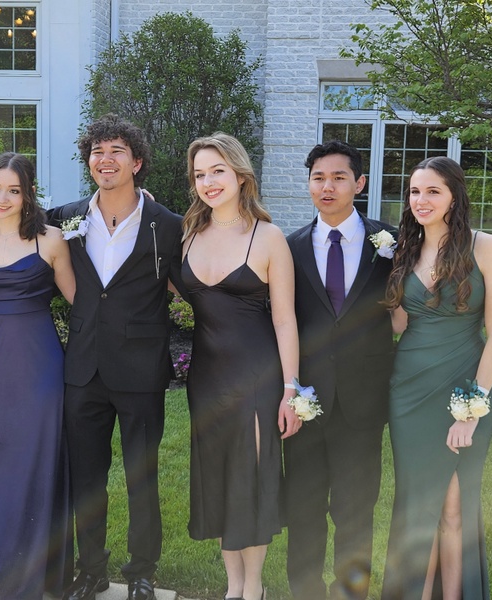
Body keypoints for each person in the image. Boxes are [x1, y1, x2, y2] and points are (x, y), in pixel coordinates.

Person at [46, 114, 184, 600]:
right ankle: (92, 570)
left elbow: (196, 282)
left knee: (141, 479)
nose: (105, 159)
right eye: (97, 151)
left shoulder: (168, 225)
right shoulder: (63, 217)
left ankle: (142, 572)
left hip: (141, 370)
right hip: (83, 369)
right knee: (87, 480)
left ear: (137, 162)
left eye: (116, 151)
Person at [381, 157, 492, 599]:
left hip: (464, 389)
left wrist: (471, 411)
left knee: (454, 510)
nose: (421, 200)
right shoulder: (405, 249)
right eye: (415, 192)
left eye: (433, 191)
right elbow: (398, 324)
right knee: (419, 509)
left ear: (455, 196)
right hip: (410, 392)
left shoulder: (484, 246)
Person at [182, 133, 301, 600]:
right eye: (200, 174)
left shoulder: (268, 237)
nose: (209, 182)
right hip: (206, 381)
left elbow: (285, 320)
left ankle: (253, 587)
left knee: (250, 482)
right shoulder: (187, 235)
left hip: (256, 379)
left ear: (240, 174)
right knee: (218, 482)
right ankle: (233, 586)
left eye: (218, 171)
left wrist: (290, 390)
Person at [284, 140, 396, 600]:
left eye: (338, 178)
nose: (327, 187)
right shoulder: (290, 247)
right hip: (307, 403)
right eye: (318, 178)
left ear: (359, 183)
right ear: (309, 184)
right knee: (303, 510)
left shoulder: (389, 242)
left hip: (362, 402)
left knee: (355, 512)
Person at [0, 152, 75, 599]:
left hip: (41, 367)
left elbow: (83, 303)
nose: (3, 198)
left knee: (38, 464)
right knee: (3, 465)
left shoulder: (51, 240)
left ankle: (38, 576)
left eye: (14, 190)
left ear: (28, 194)